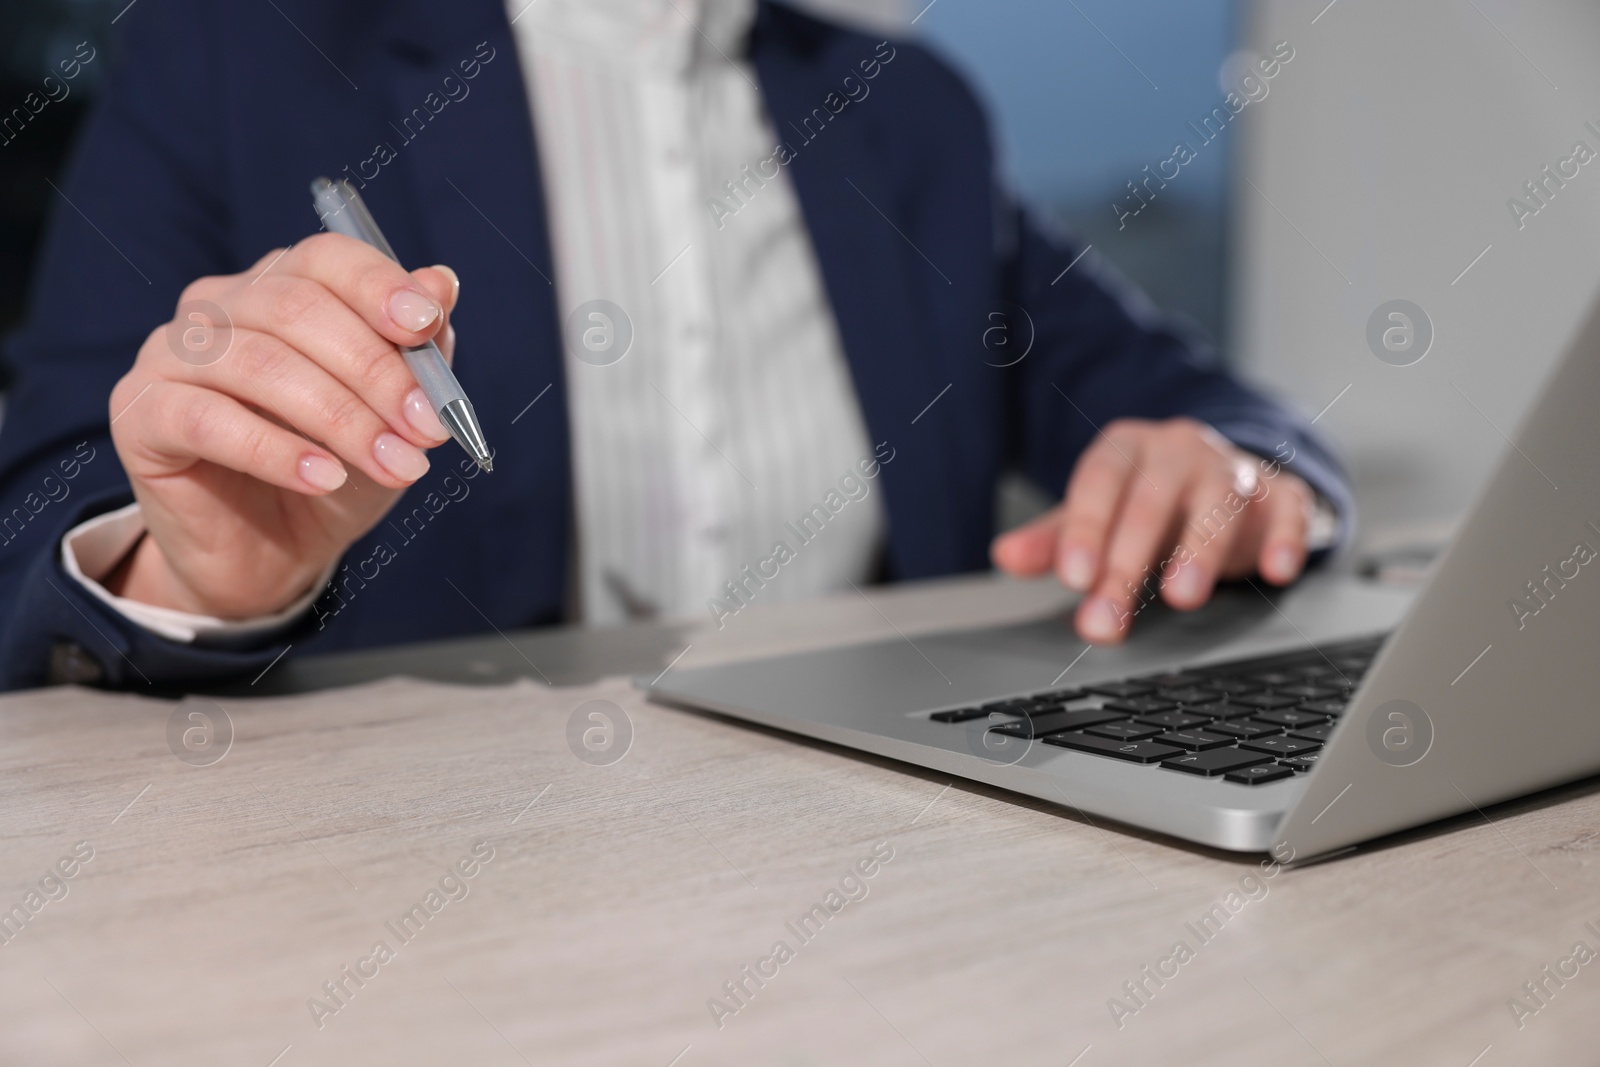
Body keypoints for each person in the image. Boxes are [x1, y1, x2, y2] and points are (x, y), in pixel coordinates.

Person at [0, 0, 1347, 691]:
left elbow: (1202, 405)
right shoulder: (244, 50)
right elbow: (38, 511)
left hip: (898, 867)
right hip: (431, 900)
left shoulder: (911, 114)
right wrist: (186, 566)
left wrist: (1230, 470)